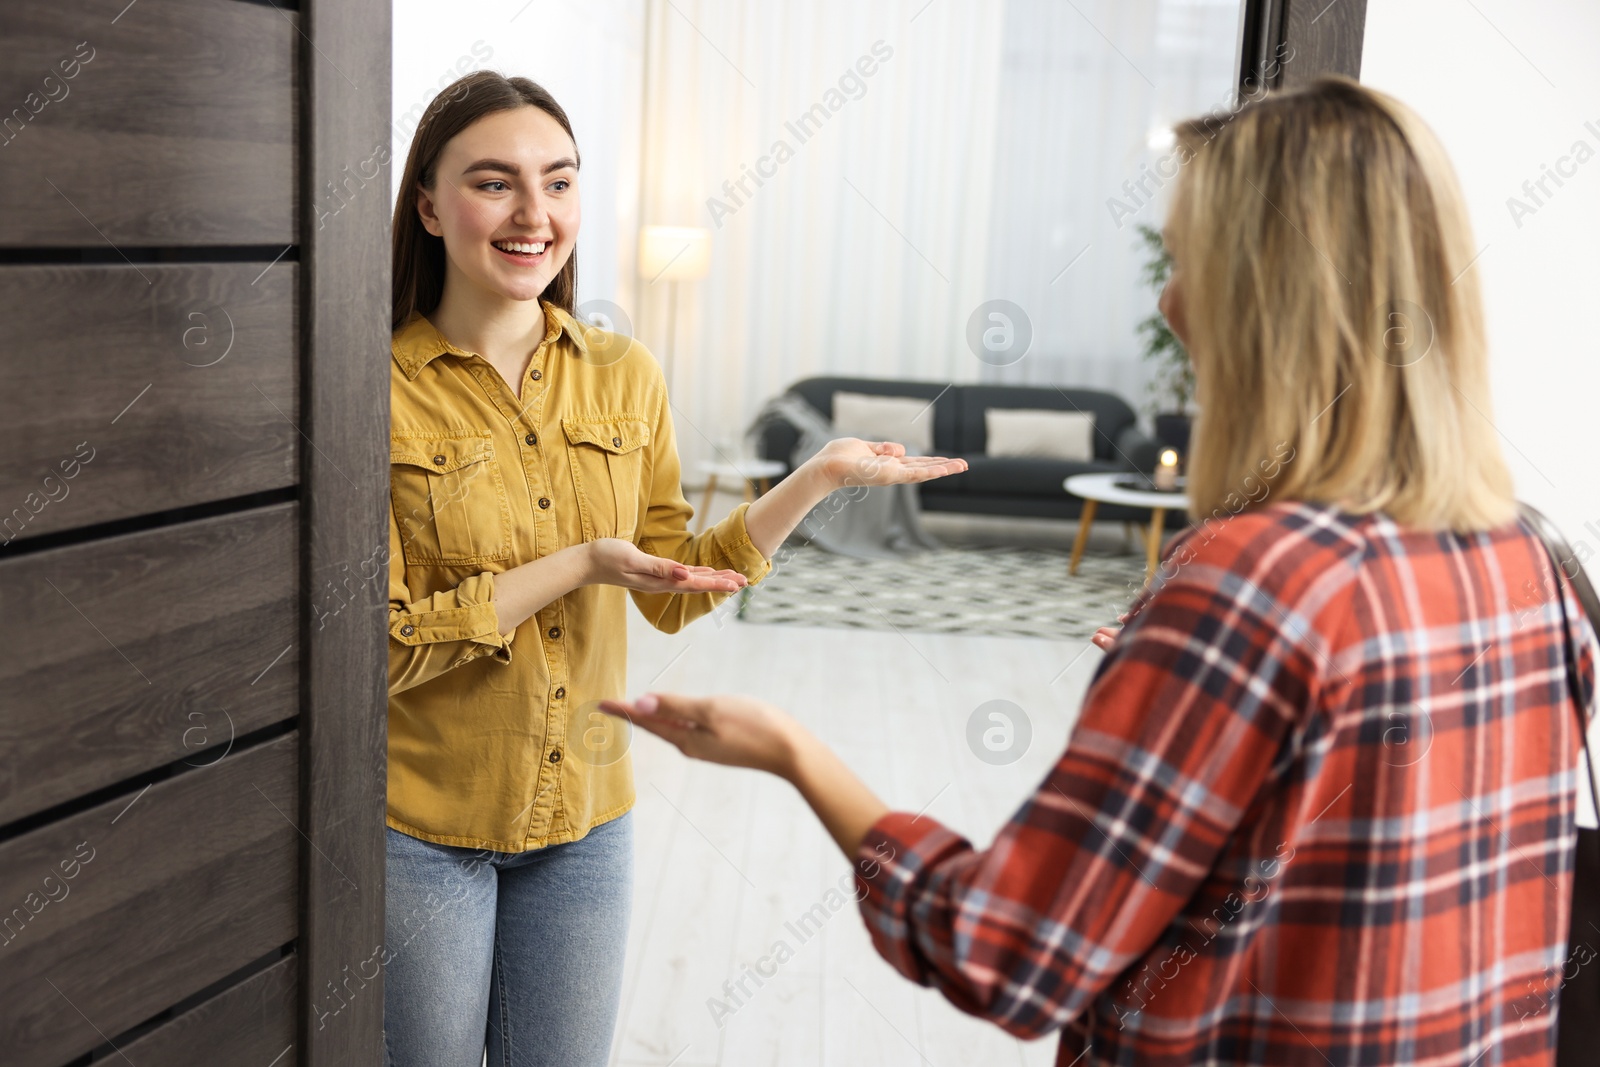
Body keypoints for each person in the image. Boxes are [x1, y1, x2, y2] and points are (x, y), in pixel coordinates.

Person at [601, 77, 1596, 1065]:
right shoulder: (1530, 561)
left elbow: (1003, 951)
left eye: (1182, 261)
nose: (1164, 302)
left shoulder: (1250, 585)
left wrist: (789, 746)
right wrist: (1210, 695)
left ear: (1273, 294)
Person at [382, 70, 967, 1067]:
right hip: (420, 829)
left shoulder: (624, 372)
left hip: (584, 822)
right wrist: (575, 563)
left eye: (559, 183)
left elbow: (673, 585)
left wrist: (816, 479)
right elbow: (386, 648)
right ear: (430, 205)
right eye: (495, 183)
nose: (535, 213)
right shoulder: (377, 387)